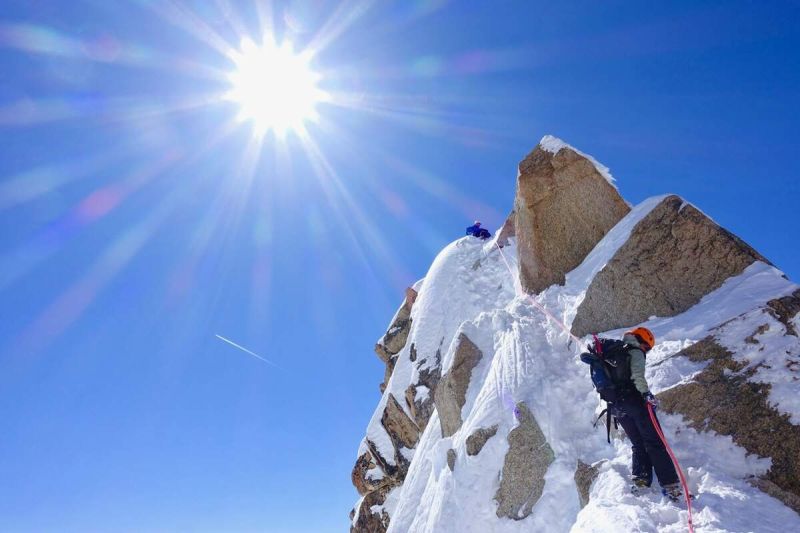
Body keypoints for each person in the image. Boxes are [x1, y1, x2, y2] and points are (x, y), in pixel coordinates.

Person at [583, 327, 683, 501]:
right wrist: (646, 394)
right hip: (634, 402)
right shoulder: (635, 351)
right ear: (642, 341)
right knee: (655, 442)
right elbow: (637, 376)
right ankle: (670, 485)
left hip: (616, 407)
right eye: (647, 348)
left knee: (638, 443)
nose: (646, 351)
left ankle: (641, 480)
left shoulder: (611, 352)